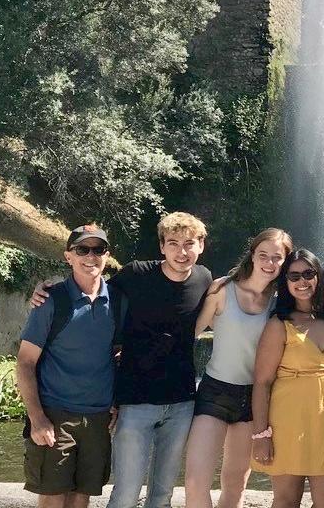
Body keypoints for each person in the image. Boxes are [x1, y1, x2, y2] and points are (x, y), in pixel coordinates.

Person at [32, 212, 213, 508]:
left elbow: (241, 287)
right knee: (125, 495)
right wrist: (49, 286)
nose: (182, 252)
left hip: (181, 402)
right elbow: (90, 284)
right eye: (173, 243)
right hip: (135, 401)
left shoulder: (205, 279)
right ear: (161, 247)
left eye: (189, 244)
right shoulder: (137, 274)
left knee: (162, 495)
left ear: (201, 246)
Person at [16, 224, 125, 508]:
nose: (91, 256)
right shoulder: (52, 300)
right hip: (56, 414)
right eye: (82, 250)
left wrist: (117, 400)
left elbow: (117, 355)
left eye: (98, 249)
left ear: (107, 255)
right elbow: (25, 363)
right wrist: (37, 418)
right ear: (69, 257)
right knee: (52, 497)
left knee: (81, 498)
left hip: (98, 417)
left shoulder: (117, 301)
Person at [184, 228, 290, 508]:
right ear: (252, 255)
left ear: (285, 261)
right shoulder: (222, 289)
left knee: (234, 486)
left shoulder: (283, 302)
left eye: (276, 258)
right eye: (263, 255)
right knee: (195, 482)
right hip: (214, 392)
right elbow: (189, 336)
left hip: (254, 400)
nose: (269, 263)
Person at [249, 249, 324, 508]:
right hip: (287, 420)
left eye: (308, 273)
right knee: (286, 501)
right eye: (294, 276)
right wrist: (261, 435)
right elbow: (262, 382)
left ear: (319, 276)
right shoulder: (278, 324)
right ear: (286, 282)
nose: (302, 281)